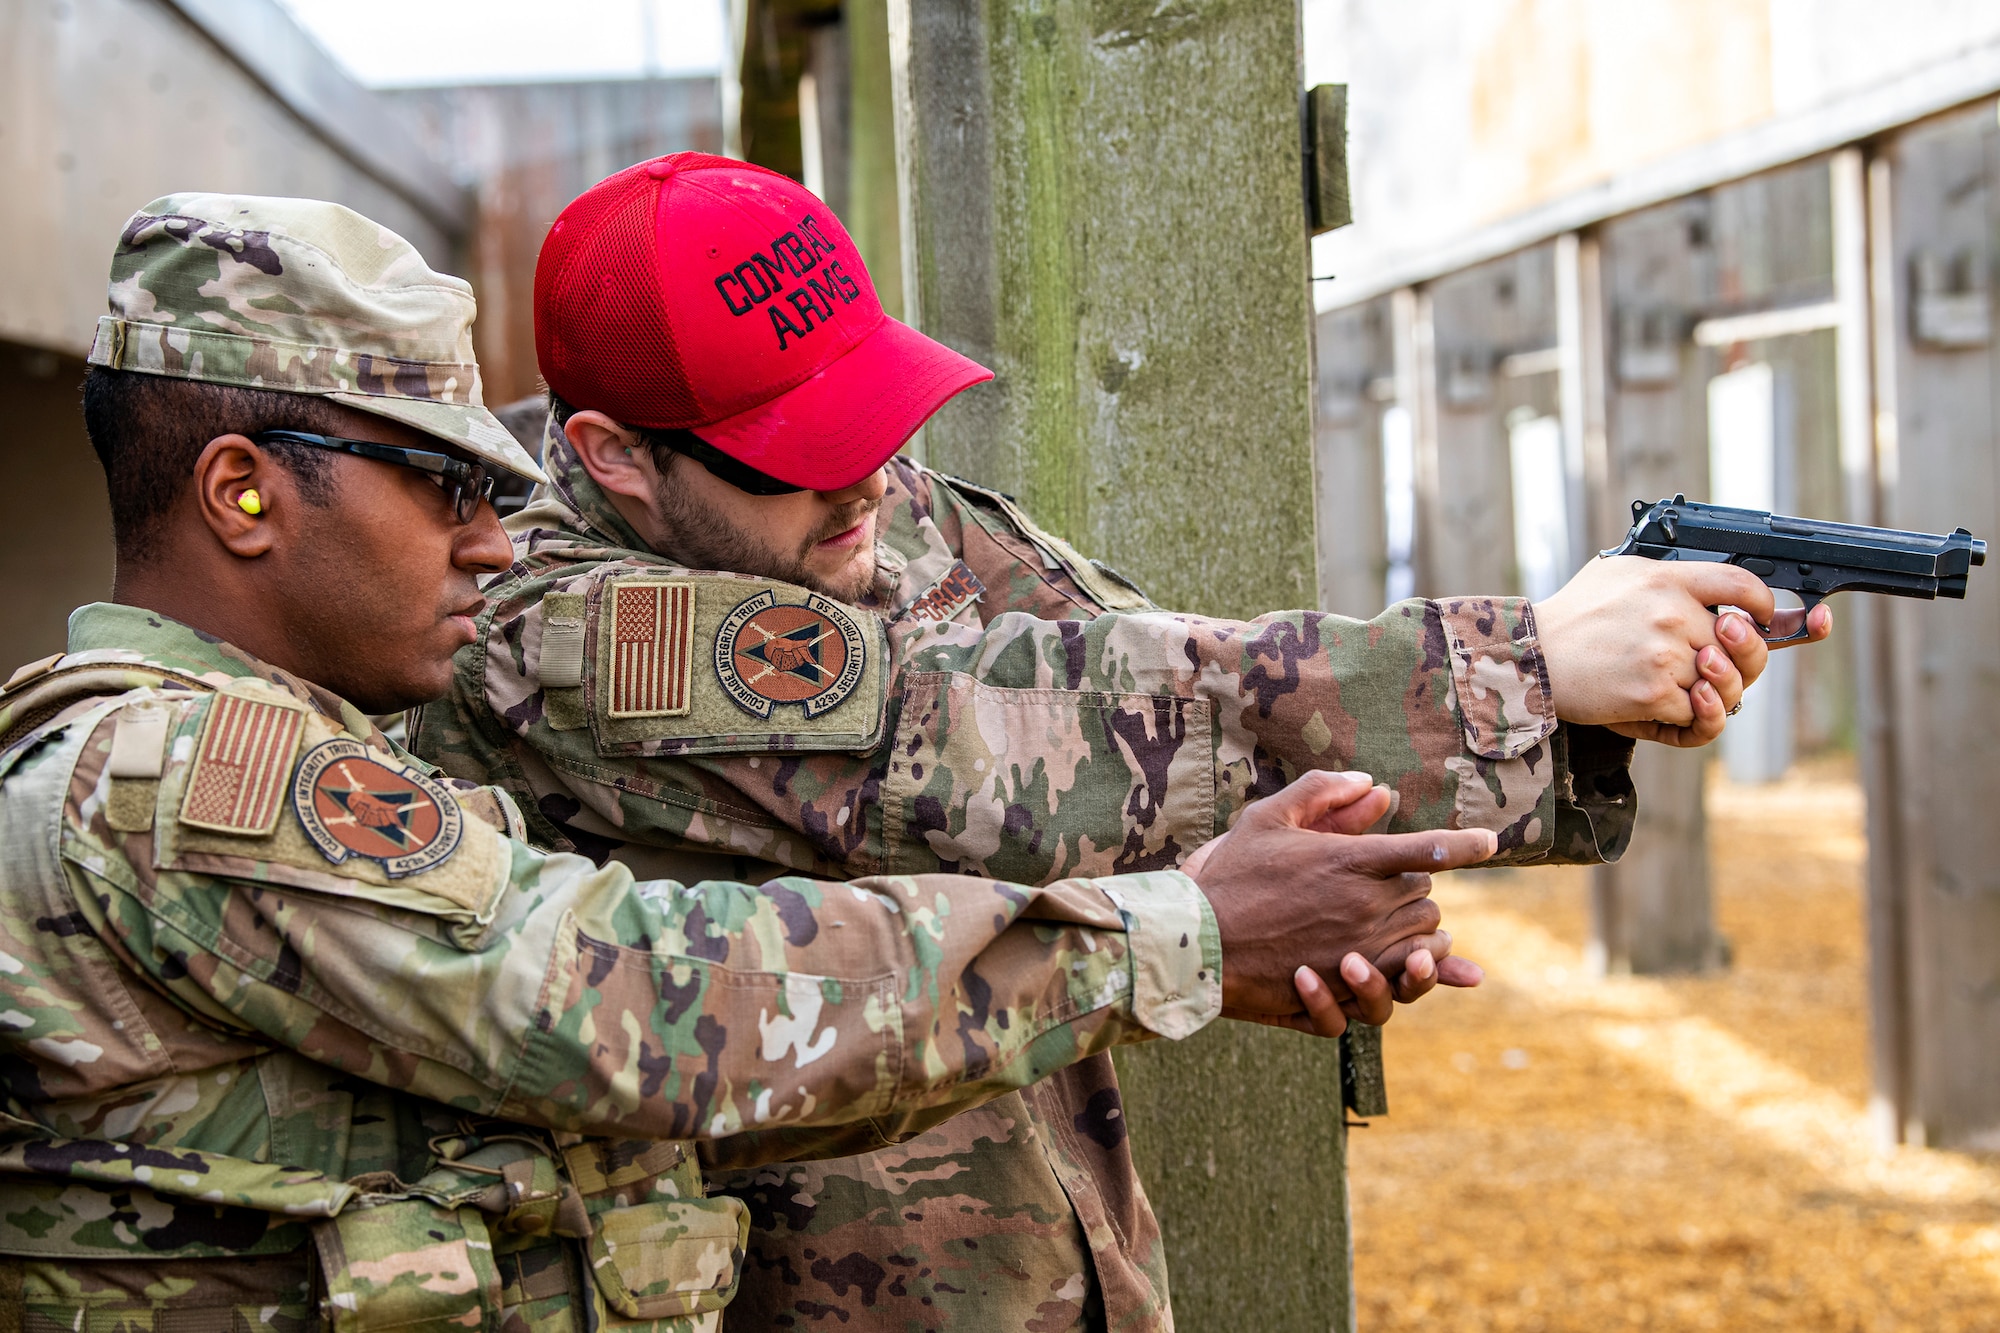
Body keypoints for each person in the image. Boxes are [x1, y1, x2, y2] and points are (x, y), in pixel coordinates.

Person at [0, 193, 1493, 1331]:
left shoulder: (252, 755)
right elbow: (641, 998)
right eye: (442, 481)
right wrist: (1189, 932)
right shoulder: (183, 784)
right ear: (245, 490)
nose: (488, 537)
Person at [414, 153, 1832, 1329]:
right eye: (795, 448)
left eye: (866, 411)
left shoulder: (855, 505)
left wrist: (1338, 855)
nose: (860, 477)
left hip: (1053, 1247)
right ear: (611, 457)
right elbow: (999, 731)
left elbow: (1138, 675)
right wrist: (1532, 665)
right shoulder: (553, 629)